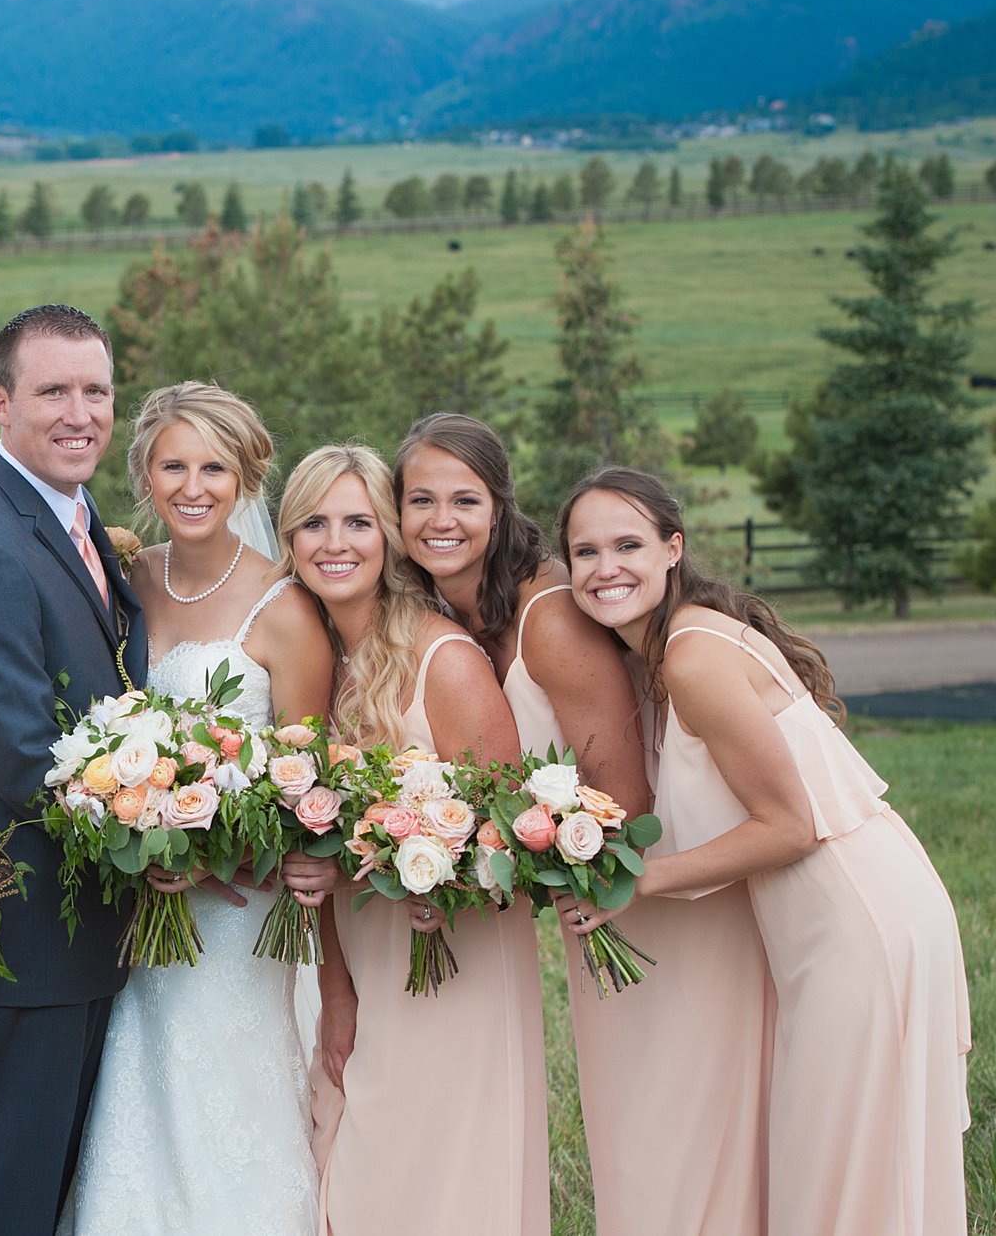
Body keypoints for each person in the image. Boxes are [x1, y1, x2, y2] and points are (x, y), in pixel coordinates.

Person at [561, 467, 970, 1236]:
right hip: (849, 902)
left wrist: (639, 880)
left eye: (627, 544)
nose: (605, 567)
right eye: (585, 552)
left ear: (673, 548)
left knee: (841, 1167)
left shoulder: (690, 656)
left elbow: (790, 824)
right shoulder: (682, 641)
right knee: (850, 1158)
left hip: (851, 916)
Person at [394, 416, 770, 1236]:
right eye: (420, 498)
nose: (441, 518)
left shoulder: (550, 617)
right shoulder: (443, 618)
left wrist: (531, 864)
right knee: (631, 1130)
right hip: (598, 900)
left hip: (656, 896)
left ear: (500, 508)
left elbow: (625, 799)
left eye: (465, 497)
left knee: (663, 1124)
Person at [63, 382, 333, 1236]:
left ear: (247, 475)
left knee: (227, 1099)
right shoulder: (121, 581)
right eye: (173, 464)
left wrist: (210, 855)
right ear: (144, 470)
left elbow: (306, 786)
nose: (192, 485)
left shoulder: (283, 609)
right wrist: (132, 834)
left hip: (234, 913)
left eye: (214, 466)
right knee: (135, 1095)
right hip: (136, 905)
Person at [0, 305, 146, 1236]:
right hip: (23, 945)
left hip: (82, 938)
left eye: (95, 391)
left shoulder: (75, 517)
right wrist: (161, 829)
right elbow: (22, 755)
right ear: (0, 403)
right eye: (53, 390)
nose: (78, 412)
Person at [283, 444, 549, 1236]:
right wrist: (333, 991)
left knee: (439, 1176)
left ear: (390, 536)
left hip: (455, 955)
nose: (337, 542)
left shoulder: (448, 662)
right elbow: (321, 845)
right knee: (356, 1165)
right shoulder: (317, 662)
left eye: (359, 521)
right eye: (315, 523)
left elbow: (508, 848)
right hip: (364, 955)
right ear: (290, 540)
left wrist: (435, 877)